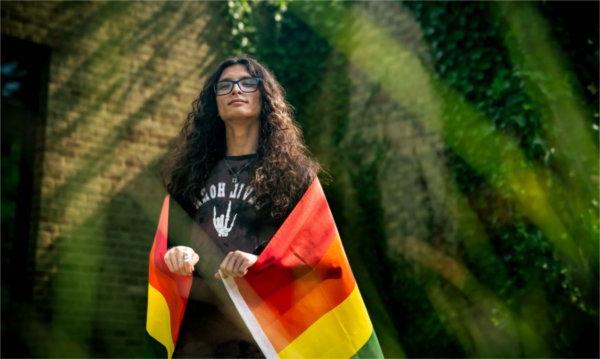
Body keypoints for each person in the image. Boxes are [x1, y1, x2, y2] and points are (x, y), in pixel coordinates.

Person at [160, 55, 323, 357]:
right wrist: (175, 253)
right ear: (215, 104)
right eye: (225, 86)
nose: (236, 90)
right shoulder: (189, 174)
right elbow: (166, 244)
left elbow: (315, 255)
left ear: (265, 97)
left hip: (263, 334)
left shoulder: (295, 176)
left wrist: (260, 262)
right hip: (200, 334)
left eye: (248, 83)